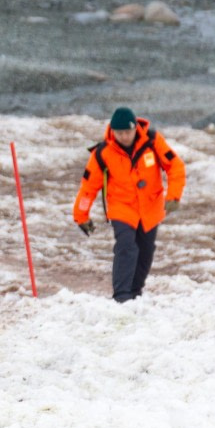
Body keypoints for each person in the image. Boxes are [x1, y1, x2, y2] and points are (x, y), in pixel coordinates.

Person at [74, 107, 186, 303]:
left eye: (127, 132)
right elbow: (88, 186)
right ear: (112, 131)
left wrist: (174, 196)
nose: (124, 137)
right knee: (126, 246)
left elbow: (175, 166)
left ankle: (135, 292)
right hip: (121, 207)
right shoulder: (103, 153)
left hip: (151, 207)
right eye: (119, 133)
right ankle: (122, 296)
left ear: (135, 129)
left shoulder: (152, 141)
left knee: (146, 249)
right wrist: (81, 215)